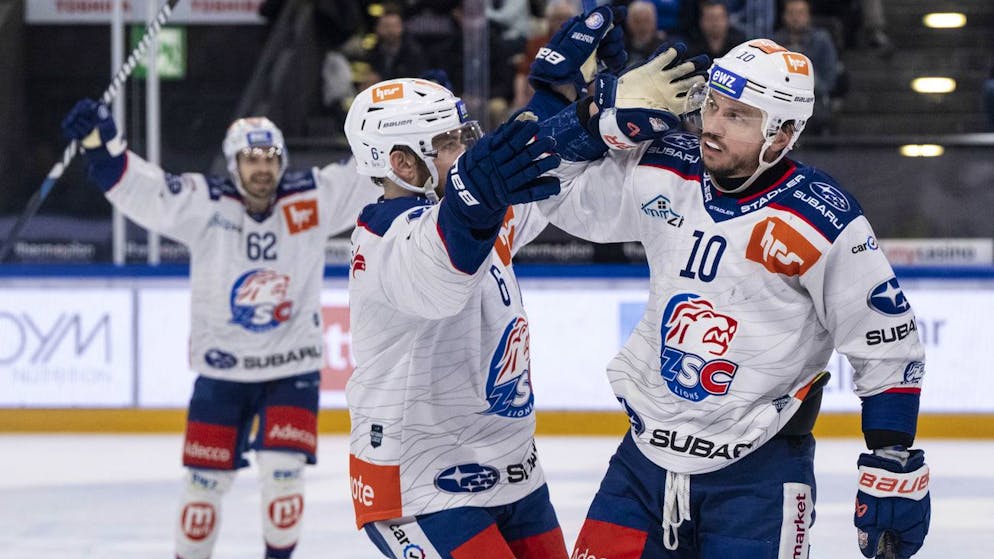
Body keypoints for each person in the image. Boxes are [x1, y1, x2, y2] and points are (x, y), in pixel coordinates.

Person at [533, 38, 931, 558]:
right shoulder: (665, 169)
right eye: (711, 106)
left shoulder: (822, 219)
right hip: (642, 465)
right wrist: (593, 125)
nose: (713, 125)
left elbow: (884, 343)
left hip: (760, 480)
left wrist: (891, 455)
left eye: (738, 116)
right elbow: (551, 195)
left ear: (783, 134)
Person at [60, 102, 379, 559]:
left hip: (292, 368)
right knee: (202, 488)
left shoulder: (312, 198)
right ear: (234, 164)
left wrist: (412, 128)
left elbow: (366, 175)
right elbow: (143, 188)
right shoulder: (204, 203)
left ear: (282, 162)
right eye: (252, 159)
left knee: (283, 472)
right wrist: (101, 146)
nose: (262, 168)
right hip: (221, 373)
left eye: (270, 158)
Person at [342, 77, 566, 558]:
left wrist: (569, 101)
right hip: (419, 483)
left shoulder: (470, 209)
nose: (465, 149)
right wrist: (477, 195)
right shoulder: (384, 239)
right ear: (402, 163)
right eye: (448, 143)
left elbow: (530, 168)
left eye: (464, 136)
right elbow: (449, 262)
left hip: (511, 467)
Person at [774, 0, 840, 134]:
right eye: (791, 13)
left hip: (814, 98)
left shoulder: (821, 40)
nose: (795, 18)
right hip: (782, 99)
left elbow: (829, 79)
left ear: (808, 16)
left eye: (800, 13)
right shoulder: (775, 42)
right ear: (784, 17)